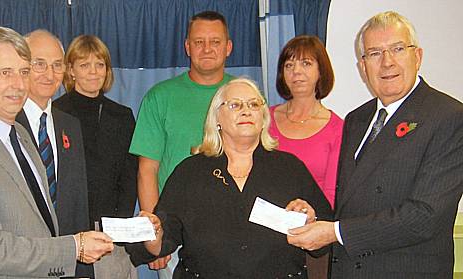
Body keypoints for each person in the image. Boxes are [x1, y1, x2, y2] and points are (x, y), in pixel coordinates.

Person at [0, 26, 113, 279]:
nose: (18, 84)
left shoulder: (21, 138)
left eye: (24, 72)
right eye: (5, 73)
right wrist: (74, 248)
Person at [287, 11, 463, 278]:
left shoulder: (448, 116)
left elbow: (425, 217)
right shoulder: (357, 120)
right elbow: (352, 204)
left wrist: (334, 231)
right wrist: (315, 218)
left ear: (418, 56)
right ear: (363, 66)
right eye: (375, 53)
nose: (387, 62)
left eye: (397, 49)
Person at [127, 78, 332, 278]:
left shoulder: (290, 168)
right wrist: (152, 232)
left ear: (263, 119)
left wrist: (310, 219)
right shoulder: (189, 172)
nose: (246, 110)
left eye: (253, 104)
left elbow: (325, 237)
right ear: (216, 118)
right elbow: (162, 242)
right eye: (235, 105)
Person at [128, 10, 233, 275]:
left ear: (228, 47)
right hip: (175, 234)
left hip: (235, 232)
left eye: (215, 41)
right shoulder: (159, 97)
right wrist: (155, 237)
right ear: (187, 47)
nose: (207, 48)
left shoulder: (245, 96)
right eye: (199, 42)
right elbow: (147, 171)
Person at [54, 34, 138, 279]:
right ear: (71, 70)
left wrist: (117, 225)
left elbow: (129, 174)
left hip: (110, 232)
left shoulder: (122, 116)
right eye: (84, 65)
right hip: (66, 233)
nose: (93, 72)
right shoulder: (55, 112)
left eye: (99, 64)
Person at [17, 29, 93, 277]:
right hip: (21, 263)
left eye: (57, 65)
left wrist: (83, 271)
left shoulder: (70, 125)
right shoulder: (5, 124)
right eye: (39, 64)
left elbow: (78, 203)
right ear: (22, 65)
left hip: (66, 266)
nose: (49, 74)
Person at [269, 35, 342, 279]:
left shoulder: (338, 128)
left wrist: (308, 221)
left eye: (306, 64)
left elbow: (331, 196)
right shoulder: (263, 120)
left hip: (311, 239)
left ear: (321, 71)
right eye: (289, 65)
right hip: (263, 234)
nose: (296, 72)